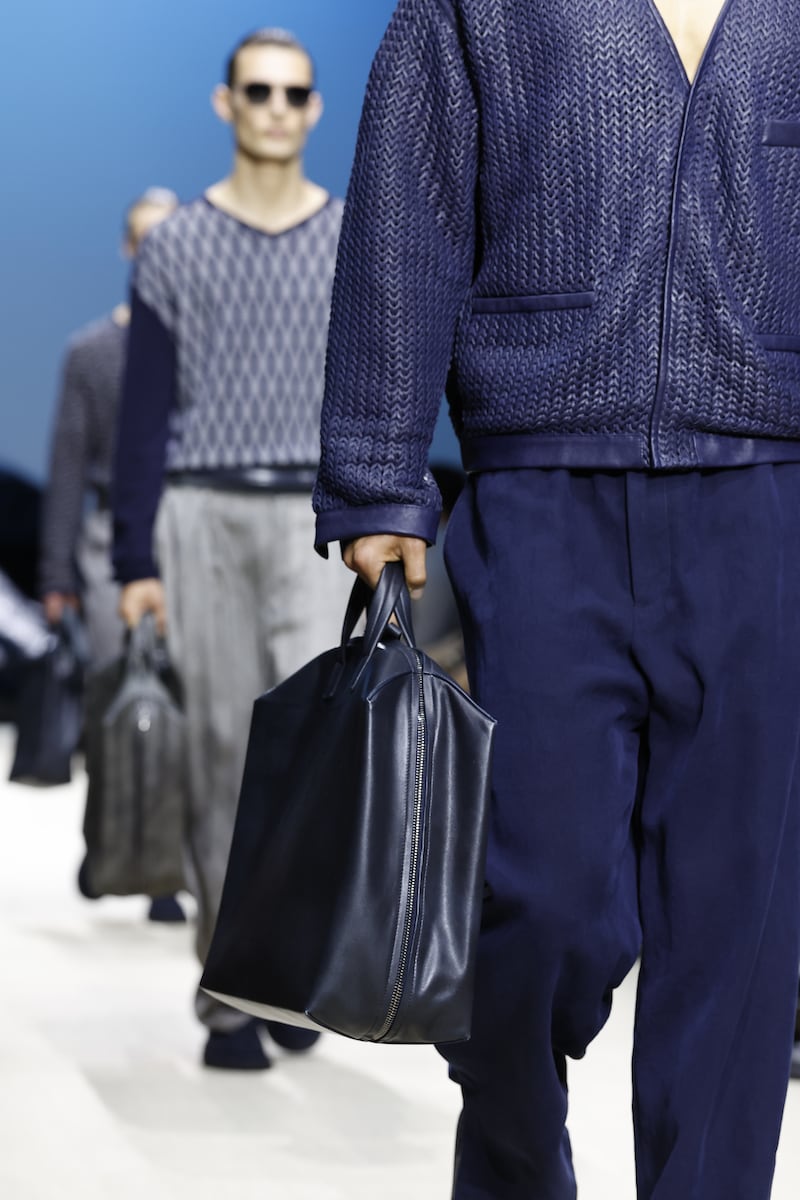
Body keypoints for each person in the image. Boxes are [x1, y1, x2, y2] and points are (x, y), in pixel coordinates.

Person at [313, 1, 800, 1196]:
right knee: (537, 902)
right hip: (541, 496)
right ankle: (518, 1170)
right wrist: (376, 476)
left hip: (767, 497)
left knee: (738, 937)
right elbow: (407, 206)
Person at [112, 29, 352, 1071]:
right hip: (199, 512)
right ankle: (224, 992)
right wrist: (133, 561)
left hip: (310, 519)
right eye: (256, 90)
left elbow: (373, 390)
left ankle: (287, 969)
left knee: (309, 763)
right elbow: (141, 414)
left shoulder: (353, 239)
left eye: (292, 93)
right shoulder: (175, 249)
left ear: (314, 110)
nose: (274, 107)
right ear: (225, 104)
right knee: (218, 756)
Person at [39, 188, 183, 923]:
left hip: (188, 530)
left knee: (182, 698)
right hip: (104, 544)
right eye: (146, 241)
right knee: (110, 693)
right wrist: (56, 572)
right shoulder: (91, 352)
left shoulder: (207, 347)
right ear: (129, 250)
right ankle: (107, 840)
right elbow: (67, 464)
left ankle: (162, 868)